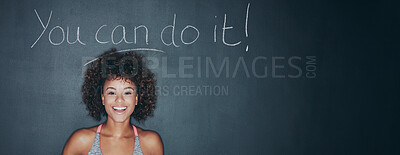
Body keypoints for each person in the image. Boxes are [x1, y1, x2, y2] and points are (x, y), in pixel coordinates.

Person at [63, 48, 163, 155]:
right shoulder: (81, 141)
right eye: (111, 93)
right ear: (102, 98)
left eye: (127, 93)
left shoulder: (151, 143)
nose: (119, 99)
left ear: (137, 99)